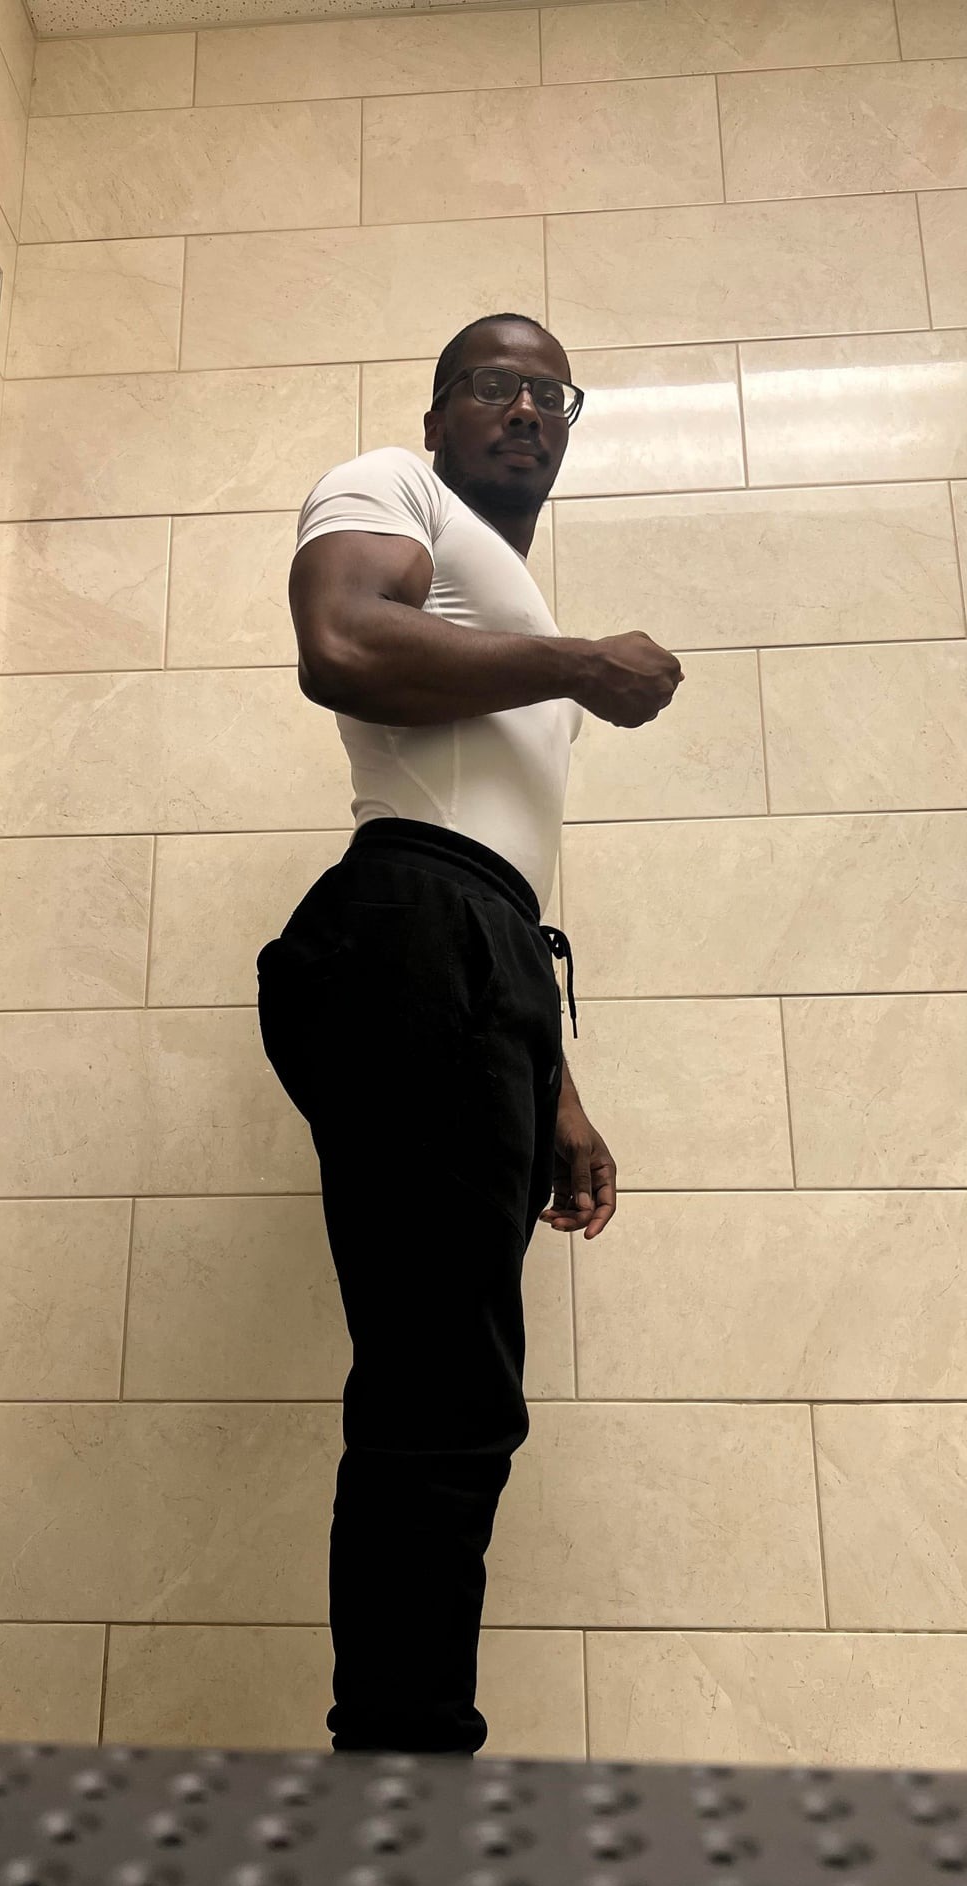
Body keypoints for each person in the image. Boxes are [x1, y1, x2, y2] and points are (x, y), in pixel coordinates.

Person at [256, 312, 683, 1757]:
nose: (529, 408)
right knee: (443, 1382)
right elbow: (337, 644)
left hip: (479, 951)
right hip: (410, 926)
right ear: (438, 413)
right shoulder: (391, 485)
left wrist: (556, 1083)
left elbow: (501, 852)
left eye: (556, 395)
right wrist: (573, 661)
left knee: (455, 1379)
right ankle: (402, 1765)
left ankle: (403, 1746)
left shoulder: (503, 602)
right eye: (496, 384)